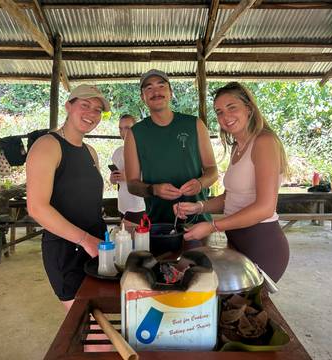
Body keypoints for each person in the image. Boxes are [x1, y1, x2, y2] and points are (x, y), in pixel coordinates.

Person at [175, 82, 289, 282]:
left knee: (248, 309)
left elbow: (265, 208)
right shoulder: (238, 146)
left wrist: (212, 226)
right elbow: (232, 197)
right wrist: (198, 207)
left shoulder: (264, 142)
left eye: (231, 107)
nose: (225, 117)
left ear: (249, 109)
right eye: (219, 112)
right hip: (238, 239)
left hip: (262, 242)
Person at [26, 84, 110, 311]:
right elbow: (36, 208)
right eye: (85, 105)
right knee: (88, 325)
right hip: (66, 250)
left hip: (97, 244)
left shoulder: (89, 151)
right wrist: (85, 240)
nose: (91, 114)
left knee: (102, 313)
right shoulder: (47, 146)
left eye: (97, 110)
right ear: (68, 106)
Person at [124, 69, 218, 224]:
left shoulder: (195, 124)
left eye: (161, 86)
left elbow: (212, 170)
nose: (156, 92)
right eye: (149, 88)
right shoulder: (135, 133)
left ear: (170, 92)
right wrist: (153, 189)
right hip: (158, 224)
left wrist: (200, 183)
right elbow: (132, 184)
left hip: (198, 220)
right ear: (143, 97)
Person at [109, 114, 145, 225]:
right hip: (123, 204)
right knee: (125, 239)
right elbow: (115, 181)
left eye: (127, 128)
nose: (123, 132)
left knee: (138, 239)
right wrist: (113, 179)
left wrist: (129, 177)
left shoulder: (144, 151)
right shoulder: (117, 152)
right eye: (120, 128)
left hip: (139, 204)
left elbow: (153, 178)